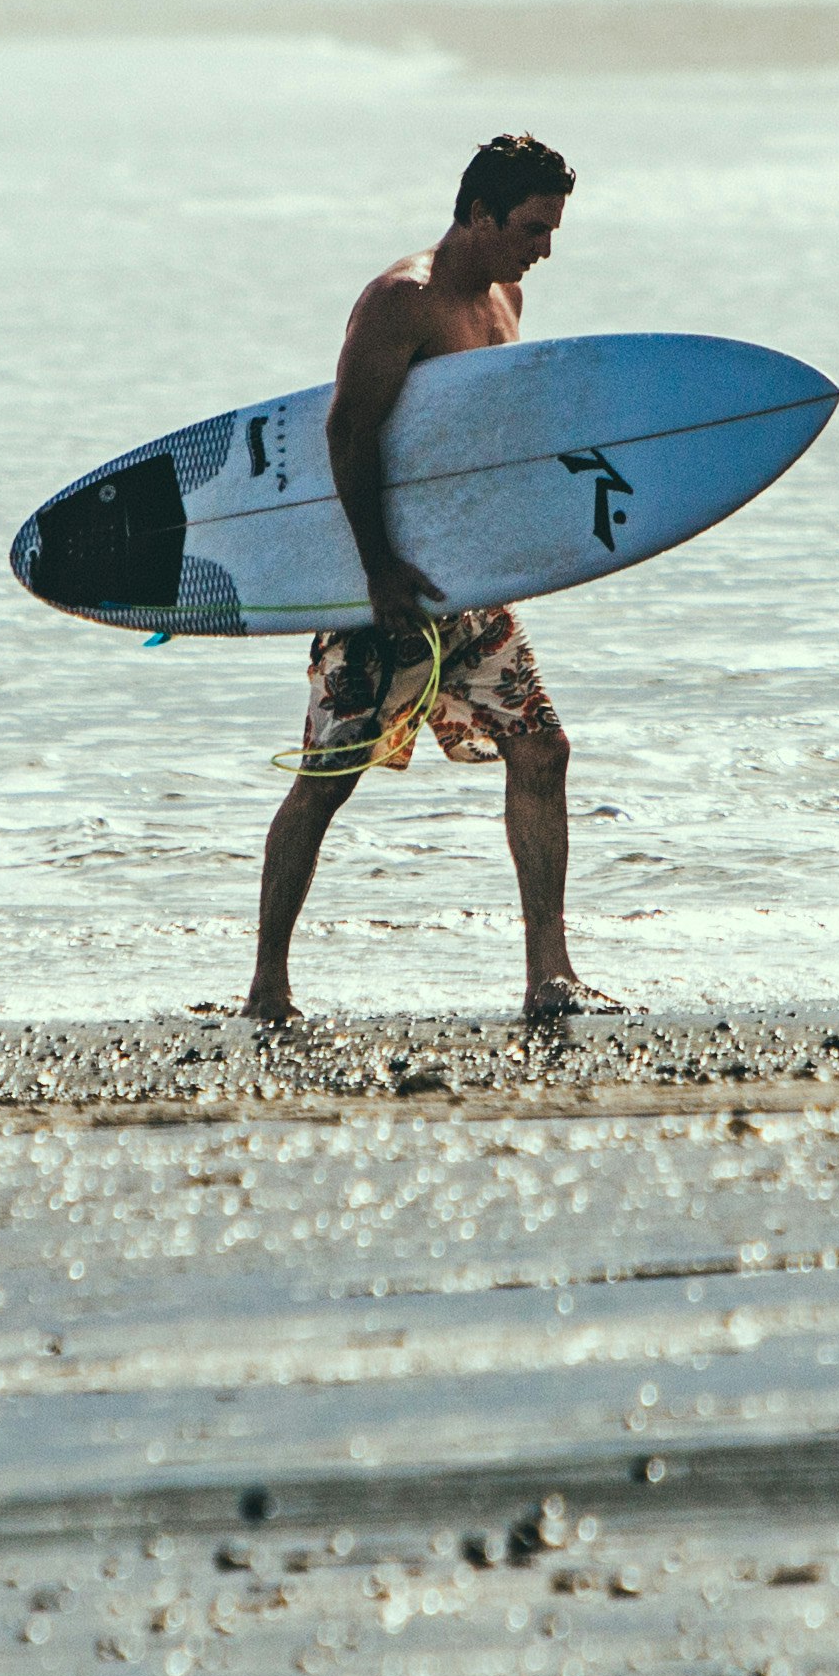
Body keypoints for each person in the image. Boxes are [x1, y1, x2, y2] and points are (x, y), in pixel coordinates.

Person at [247, 135, 596, 1028]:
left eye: (552, 230)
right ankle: (268, 987)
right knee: (328, 776)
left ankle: (548, 975)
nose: (543, 249)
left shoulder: (506, 296)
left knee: (540, 748)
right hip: (383, 583)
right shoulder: (401, 301)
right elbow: (347, 436)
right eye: (530, 227)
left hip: (468, 579)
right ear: (478, 214)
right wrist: (375, 573)